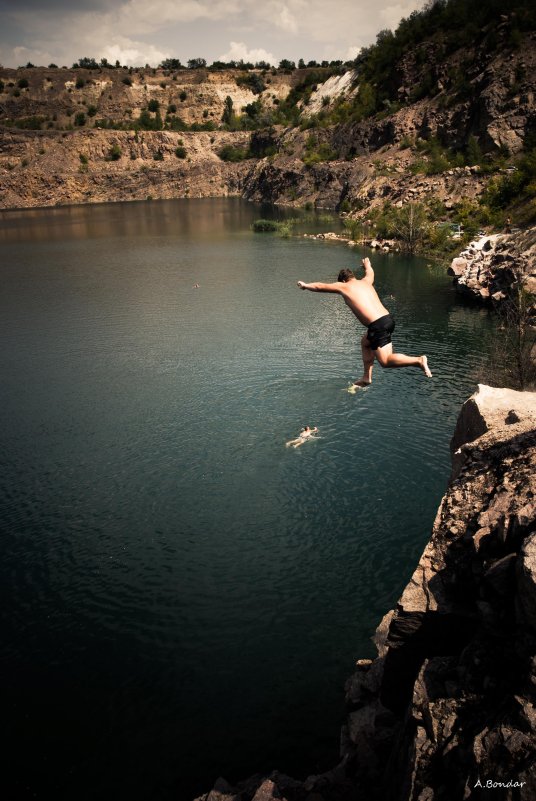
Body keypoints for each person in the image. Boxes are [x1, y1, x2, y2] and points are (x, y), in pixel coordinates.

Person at [297, 258, 432, 387]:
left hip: (377, 326)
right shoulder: (366, 281)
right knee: (365, 342)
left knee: (385, 361)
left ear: (343, 280)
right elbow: (370, 272)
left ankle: (418, 361)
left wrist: (306, 285)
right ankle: (366, 377)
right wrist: (367, 265)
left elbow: (321, 286)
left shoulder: (344, 286)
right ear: (352, 276)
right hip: (388, 320)